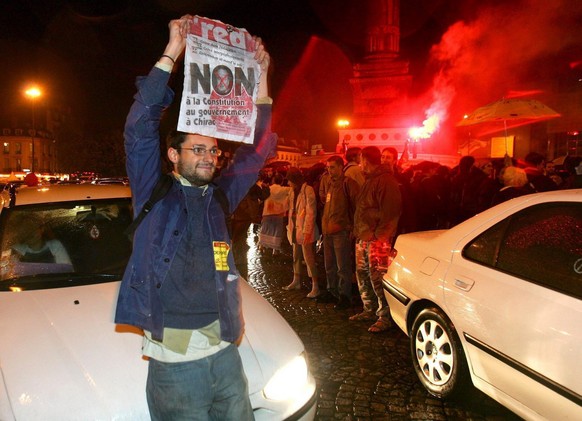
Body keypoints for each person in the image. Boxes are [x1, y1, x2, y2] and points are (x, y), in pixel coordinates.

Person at [114, 15, 275, 420]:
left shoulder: (220, 197)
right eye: (197, 149)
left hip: (225, 350)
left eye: (213, 150)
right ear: (173, 154)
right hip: (175, 358)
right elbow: (139, 126)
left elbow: (255, 152)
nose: (209, 156)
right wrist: (173, 51)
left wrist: (261, 79)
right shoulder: (154, 190)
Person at [350, 146, 401, 333]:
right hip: (364, 237)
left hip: (376, 240)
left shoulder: (386, 181)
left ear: (365, 159)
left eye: (361, 159)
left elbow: (390, 213)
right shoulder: (370, 180)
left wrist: (378, 237)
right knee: (363, 275)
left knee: (377, 277)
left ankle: (385, 316)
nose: (360, 163)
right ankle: (369, 309)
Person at [318, 155, 360, 309]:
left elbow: (357, 207)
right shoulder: (329, 183)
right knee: (329, 264)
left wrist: (353, 228)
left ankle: (344, 295)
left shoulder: (349, 184)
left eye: (333, 167)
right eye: (328, 167)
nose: (330, 170)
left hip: (341, 230)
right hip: (328, 230)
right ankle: (332, 290)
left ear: (341, 167)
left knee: (343, 266)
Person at [283, 167, 321, 298]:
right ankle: (296, 280)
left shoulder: (307, 190)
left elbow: (311, 212)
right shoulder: (292, 191)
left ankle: (315, 285)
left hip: (305, 229)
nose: (288, 183)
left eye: (289, 180)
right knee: (296, 256)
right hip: (295, 228)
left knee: (309, 258)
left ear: (295, 180)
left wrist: (307, 232)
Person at [231, 179, 270, 279]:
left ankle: (239, 262)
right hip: (244, 215)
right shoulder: (249, 183)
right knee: (239, 238)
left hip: (239, 215)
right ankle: (240, 261)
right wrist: (265, 187)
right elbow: (262, 195)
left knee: (237, 238)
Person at [258, 172, 291, 255]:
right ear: (282, 181)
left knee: (265, 230)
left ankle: (262, 246)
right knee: (277, 232)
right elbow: (291, 193)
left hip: (267, 212)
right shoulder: (285, 190)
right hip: (278, 214)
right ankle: (275, 250)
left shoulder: (268, 189)